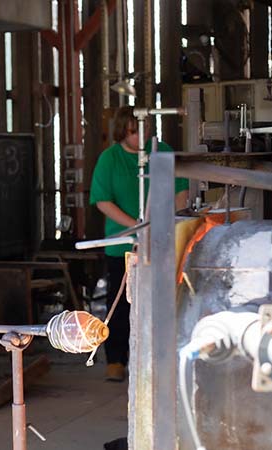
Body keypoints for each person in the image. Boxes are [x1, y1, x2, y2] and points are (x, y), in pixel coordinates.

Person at [89, 106, 188, 382]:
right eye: (134, 132)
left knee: (162, 300)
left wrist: (170, 221)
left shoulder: (162, 151)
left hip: (161, 239)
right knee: (120, 303)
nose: (140, 137)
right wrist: (135, 225)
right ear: (123, 132)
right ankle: (116, 359)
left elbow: (181, 189)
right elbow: (103, 201)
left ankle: (160, 358)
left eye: (144, 130)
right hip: (123, 245)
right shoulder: (109, 159)